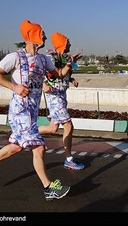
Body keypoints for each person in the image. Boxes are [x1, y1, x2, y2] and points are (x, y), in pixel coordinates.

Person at [0, 20, 74, 201]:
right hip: (19, 111)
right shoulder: (15, 57)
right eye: (42, 33)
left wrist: (69, 64)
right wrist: (14, 87)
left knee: (16, 147)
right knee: (38, 147)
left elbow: (59, 75)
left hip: (32, 111)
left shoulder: (43, 59)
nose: (45, 36)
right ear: (32, 36)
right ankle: (48, 188)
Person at [39, 32, 85, 170]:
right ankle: (69, 159)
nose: (70, 44)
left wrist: (72, 79)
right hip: (54, 96)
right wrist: (43, 84)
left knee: (52, 129)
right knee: (68, 126)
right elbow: (39, 72)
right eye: (68, 42)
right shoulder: (50, 58)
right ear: (62, 44)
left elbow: (63, 74)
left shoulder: (64, 58)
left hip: (62, 95)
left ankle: (27, 132)